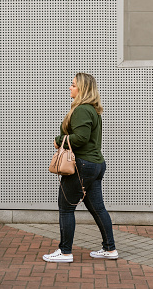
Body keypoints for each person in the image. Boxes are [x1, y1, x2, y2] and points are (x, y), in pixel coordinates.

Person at [43, 73, 118, 263]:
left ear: (82, 89)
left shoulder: (83, 110)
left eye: (73, 84)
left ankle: (65, 252)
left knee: (66, 208)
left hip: (82, 165)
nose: (70, 87)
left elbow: (81, 138)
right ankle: (110, 249)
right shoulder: (92, 110)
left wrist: (58, 140)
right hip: (95, 165)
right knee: (98, 208)